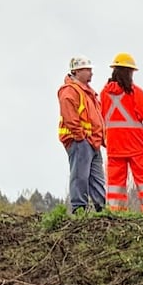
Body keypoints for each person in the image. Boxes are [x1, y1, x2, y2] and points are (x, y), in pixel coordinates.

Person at [99, 53, 143, 213]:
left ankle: (116, 213)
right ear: (129, 72)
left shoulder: (104, 94)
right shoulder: (135, 92)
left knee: (115, 183)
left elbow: (100, 117)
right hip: (135, 145)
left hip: (115, 146)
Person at [57, 56, 107, 212]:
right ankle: (79, 209)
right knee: (80, 176)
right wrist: (80, 136)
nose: (91, 73)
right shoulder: (70, 91)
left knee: (97, 178)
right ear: (77, 71)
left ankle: (102, 210)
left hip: (93, 141)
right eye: (87, 69)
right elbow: (70, 116)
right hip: (80, 141)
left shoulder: (89, 93)